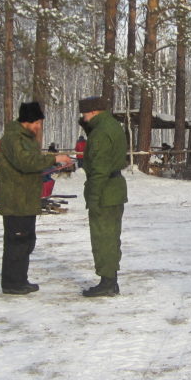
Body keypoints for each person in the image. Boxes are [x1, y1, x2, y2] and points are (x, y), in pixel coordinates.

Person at [0, 102, 73, 295]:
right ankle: (13, 283)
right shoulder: (14, 138)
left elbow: (31, 163)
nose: (38, 127)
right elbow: (26, 162)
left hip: (26, 199)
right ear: (27, 121)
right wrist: (54, 159)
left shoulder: (25, 138)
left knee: (26, 242)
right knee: (18, 242)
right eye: (37, 123)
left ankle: (19, 279)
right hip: (17, 200)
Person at [79, 96, 129, 296]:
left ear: (92, 112)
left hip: (105, 191)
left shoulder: (100, 133)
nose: (83, 118)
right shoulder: (113, 126)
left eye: (84, 114)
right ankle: (111, 280)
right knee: (111, 236)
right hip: (114, 189)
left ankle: (107, 282)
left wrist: (92, 197)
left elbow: (99, 169)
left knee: (103, 238)